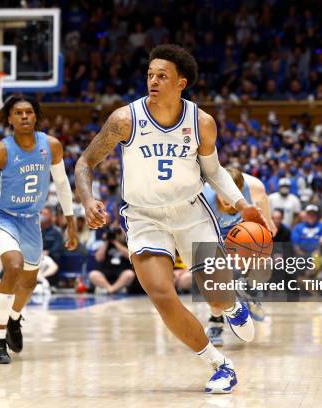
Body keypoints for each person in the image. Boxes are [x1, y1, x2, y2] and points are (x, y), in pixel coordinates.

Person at [75, 44, 268, 394]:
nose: (153, 80)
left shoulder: (202, 122)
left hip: (191, 212)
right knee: (162, 294)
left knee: (216, 296)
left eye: (162, 76)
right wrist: (87, 199)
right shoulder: (124, 120)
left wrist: (243, 205)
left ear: (181, 83)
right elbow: (85, 163)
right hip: (144, 216)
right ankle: (219, 365)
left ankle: (230, 305)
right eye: (150, 74)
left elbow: (214, 171)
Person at [0, 95, 78, 364]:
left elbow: (62, 186)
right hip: (1, 215)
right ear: (10, 119)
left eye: (29, 112)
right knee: (13, 267)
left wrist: (71, 223)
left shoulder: (51, 146)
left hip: (30, 218)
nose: (24, 116)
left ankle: (14, 318)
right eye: (18, 113)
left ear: (36, 116)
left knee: (28, 282)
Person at [202, 167, 275, 346]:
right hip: (211, 234)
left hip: (240, 232)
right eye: (223, 197)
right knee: (217, 284)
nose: (228, 202)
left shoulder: (254, 187)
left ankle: (249, 292)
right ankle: (215, 322)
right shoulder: (202, 195)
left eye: (232, 199)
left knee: (265, 260)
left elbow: (263, 199)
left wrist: (268, 220)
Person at [88, 226, 135, 294]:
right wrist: (106, 241)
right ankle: (111, 289)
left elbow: (129, 256)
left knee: (129, 274)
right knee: (93, 274)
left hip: (121, 274)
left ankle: (111, 290)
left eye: (119, 232)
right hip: (106, 274)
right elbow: (99, 258)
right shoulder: (105, 245)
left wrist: (116, 242)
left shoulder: (127, 244)